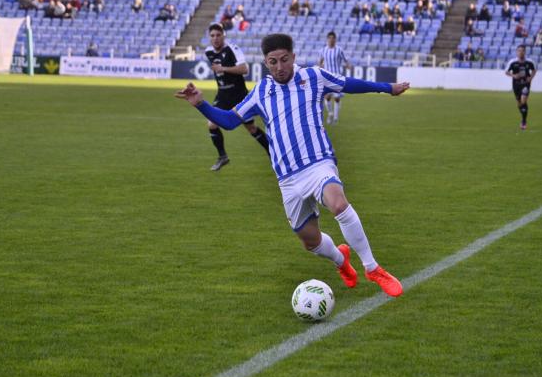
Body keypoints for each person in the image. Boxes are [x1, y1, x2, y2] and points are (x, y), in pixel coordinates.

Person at [175, 33, 408, 297]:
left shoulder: (313, 77)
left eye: (284, 60)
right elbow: (229, 120)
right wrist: (201, 104)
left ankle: (372, 267)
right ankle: (341, 261)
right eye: (272, 62)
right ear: (265, 63)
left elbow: (349, 83)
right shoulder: (262, 91)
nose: (279, 67)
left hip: (319, 163)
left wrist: (388, 88)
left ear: (293, 57)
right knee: (311, 240)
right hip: (287, 179)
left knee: (338, 203)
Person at [203, 24, 269, 171]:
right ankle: (222, 156)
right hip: (222, 94)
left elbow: (245, 69)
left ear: (223, 36)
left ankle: (272, 153)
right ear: (209, 37)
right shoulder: (208, 52)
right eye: (212, 36)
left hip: (238, 94)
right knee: (211, 124)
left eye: (218, 35)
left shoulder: (233, 49)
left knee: (251, 128)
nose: (215, 38)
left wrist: (223, 69)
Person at [318, 31, 351, 125]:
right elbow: (320, 62)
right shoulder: (323, 50)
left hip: (337, 77)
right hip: (327, 78)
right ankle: (330, 113)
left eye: (333, 38)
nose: (331, 40)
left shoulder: (339, 50)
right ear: (327, 39)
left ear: (335, 40)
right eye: (330, 38)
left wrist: (348, 65)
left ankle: (335, 118)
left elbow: (345, 60)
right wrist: (319, 70)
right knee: (327, 97)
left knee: (337, 98)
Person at [505, 45, 536, 130]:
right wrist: (513, 75)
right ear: (516, 52)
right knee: (519, 104)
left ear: (525, 52)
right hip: (516, 85)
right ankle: (523, 117)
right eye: (519, 51)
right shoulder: (512, 62)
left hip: (525, 84)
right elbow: (506, 72)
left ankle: (524, 121)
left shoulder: (529, 62)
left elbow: (534, 70)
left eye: (522, 50)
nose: (520, 52)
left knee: (523, 100)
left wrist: (530, 78)